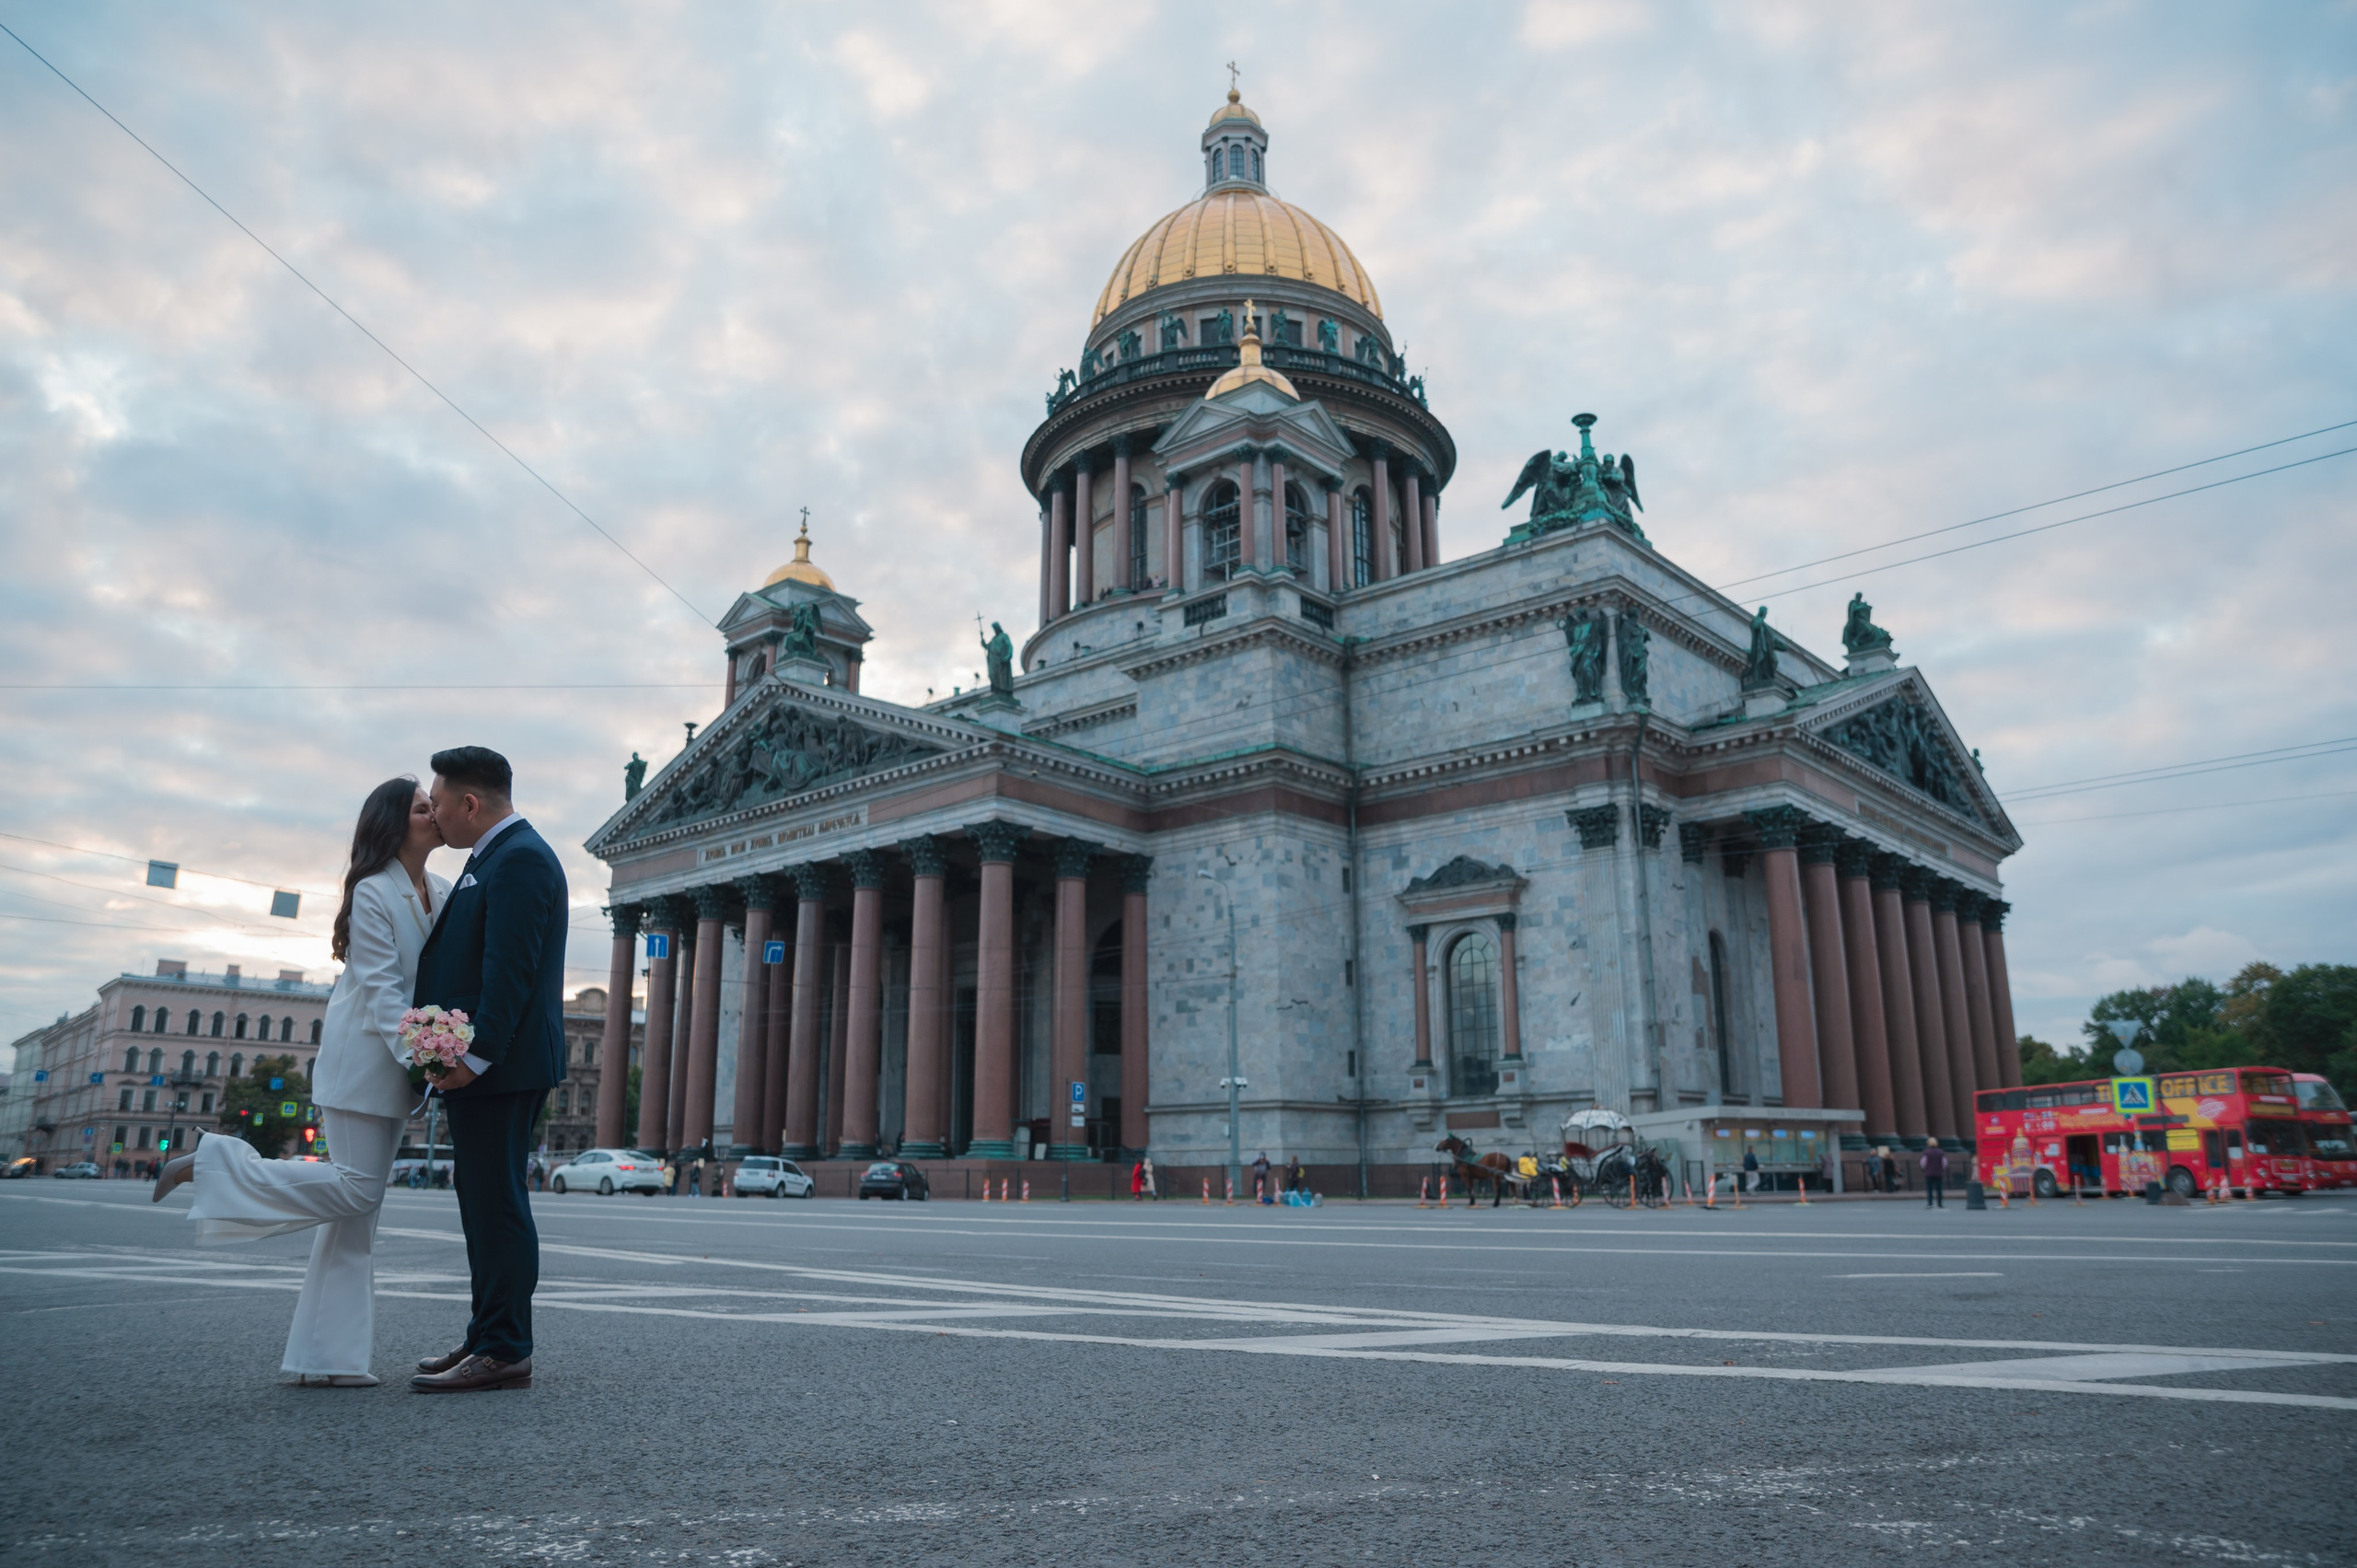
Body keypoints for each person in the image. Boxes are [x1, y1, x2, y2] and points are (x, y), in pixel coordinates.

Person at [151, 776, 449, 1387]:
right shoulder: (373, 890)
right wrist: (425, 1057)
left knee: (353, 1223)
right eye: (423, 807)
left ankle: (326, 1357)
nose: (434, 812)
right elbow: (380, 987)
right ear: (394, 824)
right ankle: (207, 1163)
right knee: (357, 1193)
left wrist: (430, 1058)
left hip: (396, 1070)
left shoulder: (438, 889)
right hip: (362, 1060)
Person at [408, 747, 570, 1393]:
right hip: (486, 1065)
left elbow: (510, 973)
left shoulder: (521, 858)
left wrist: (472, 1058)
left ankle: (505, 1346)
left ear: (469, 804)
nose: (435, 814)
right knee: (480, 1199)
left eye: (439, 802)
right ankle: (486, 1333)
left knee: (498, 1201)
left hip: (500, 1065)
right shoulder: (493, 856)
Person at [1922, 1140, 1948, 1208]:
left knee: (1929, 1189)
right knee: (1939, 1189)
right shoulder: (1941, 1152)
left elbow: (1923, 1163)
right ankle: (1939, 1204)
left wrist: (1925, 1169)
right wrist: (1941, 1168)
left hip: (1929, 1173)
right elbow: (1944, 1163)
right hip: (1938, 1173)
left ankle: (1930, 1203)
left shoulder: (1926, 1152)